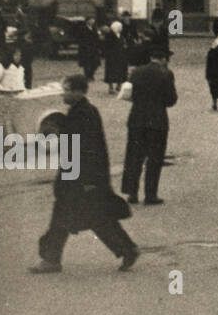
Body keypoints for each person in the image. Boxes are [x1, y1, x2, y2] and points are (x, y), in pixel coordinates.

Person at [30, 74, 139, 274]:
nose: (64, 93)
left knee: (67, 217)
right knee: (94, 218)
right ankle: (128, 249)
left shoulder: (82, 115)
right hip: (81, 177)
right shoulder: (83, 112)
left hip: (80, 178)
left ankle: (51, 259)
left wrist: (87, 181)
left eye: (68, 90)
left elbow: (86, 150)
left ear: (79, 92)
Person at [122, 44, 178, 205]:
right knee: (154, 158)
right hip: (157, 121)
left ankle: (132, 193)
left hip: (136, 119)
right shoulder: (166, 74)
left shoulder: (136, 72)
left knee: (134, 156)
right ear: (163, 59)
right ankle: (150, 194)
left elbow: (129, 94)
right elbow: (171, 100)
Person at [101, 20, 128, 94]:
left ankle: (119, 85)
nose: (121, 28)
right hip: (112, 56)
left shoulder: (120, 35)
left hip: (120, 56)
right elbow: (107, 46)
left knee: (120, 71)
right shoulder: (109, 35)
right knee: (111, 71)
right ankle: (111, 87)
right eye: (120, 27)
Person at [78, 16, 101, 82]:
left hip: (94, 49)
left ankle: (91, 75)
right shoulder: (83, 28)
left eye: (93, 20)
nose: (92, 21)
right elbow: (81, 38)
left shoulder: (95, 28)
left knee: (95, 64)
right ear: (87, 21)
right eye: (91, 20)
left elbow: (97, 37)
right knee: (87, 64)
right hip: (86, 49)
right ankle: (87, 76)